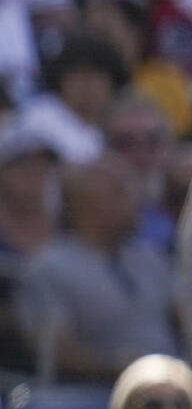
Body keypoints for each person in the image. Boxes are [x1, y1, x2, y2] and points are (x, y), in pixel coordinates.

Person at [19, 157, 178, 381]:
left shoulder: (148, 257)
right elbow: (57, 351)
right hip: (98, 394)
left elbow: (180, 316)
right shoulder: (49, 267)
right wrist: (119, 367)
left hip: (173, 387)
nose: (136, 202)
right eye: (121, 193)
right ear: (86, 205)